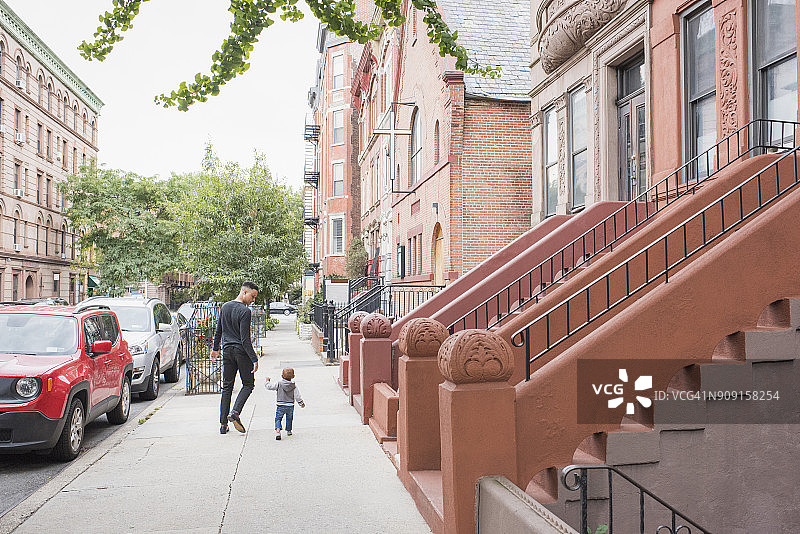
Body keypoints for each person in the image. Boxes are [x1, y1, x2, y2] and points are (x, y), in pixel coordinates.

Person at [210, 281, 260, 434]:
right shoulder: (245, 311)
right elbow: (245, 339)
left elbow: (218, 330)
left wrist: (215, 349)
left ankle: (223, 425)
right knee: (248, 384)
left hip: (227, 351)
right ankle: (235, 412)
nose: (253, 300)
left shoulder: (225, 307)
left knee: (227, 387)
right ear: (244, 292)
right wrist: (254, 358)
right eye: (252, 296)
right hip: (241, 352)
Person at [265, 368, 305, 440]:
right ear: (293, 376)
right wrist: (301, 403)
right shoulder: (293, 386)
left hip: (280, 405)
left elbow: (270, 387)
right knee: (289, 418)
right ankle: (289, 431)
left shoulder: (279, 384)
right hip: (290, 405)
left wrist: (267, 381)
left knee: (278, 418)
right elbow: (297, 396)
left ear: (282, 376)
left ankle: (278, 431)